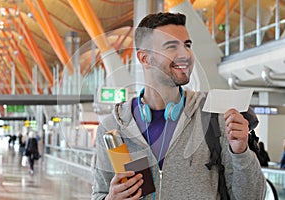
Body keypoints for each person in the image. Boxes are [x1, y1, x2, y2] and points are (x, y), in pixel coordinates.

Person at [92, 12, 266, 199]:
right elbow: (98, 194)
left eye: (187, 45)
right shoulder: (113, 128)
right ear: (144, 58)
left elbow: (253, 196)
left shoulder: (213, 117)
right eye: (171, 46)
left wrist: (241, 152)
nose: (185, 54)